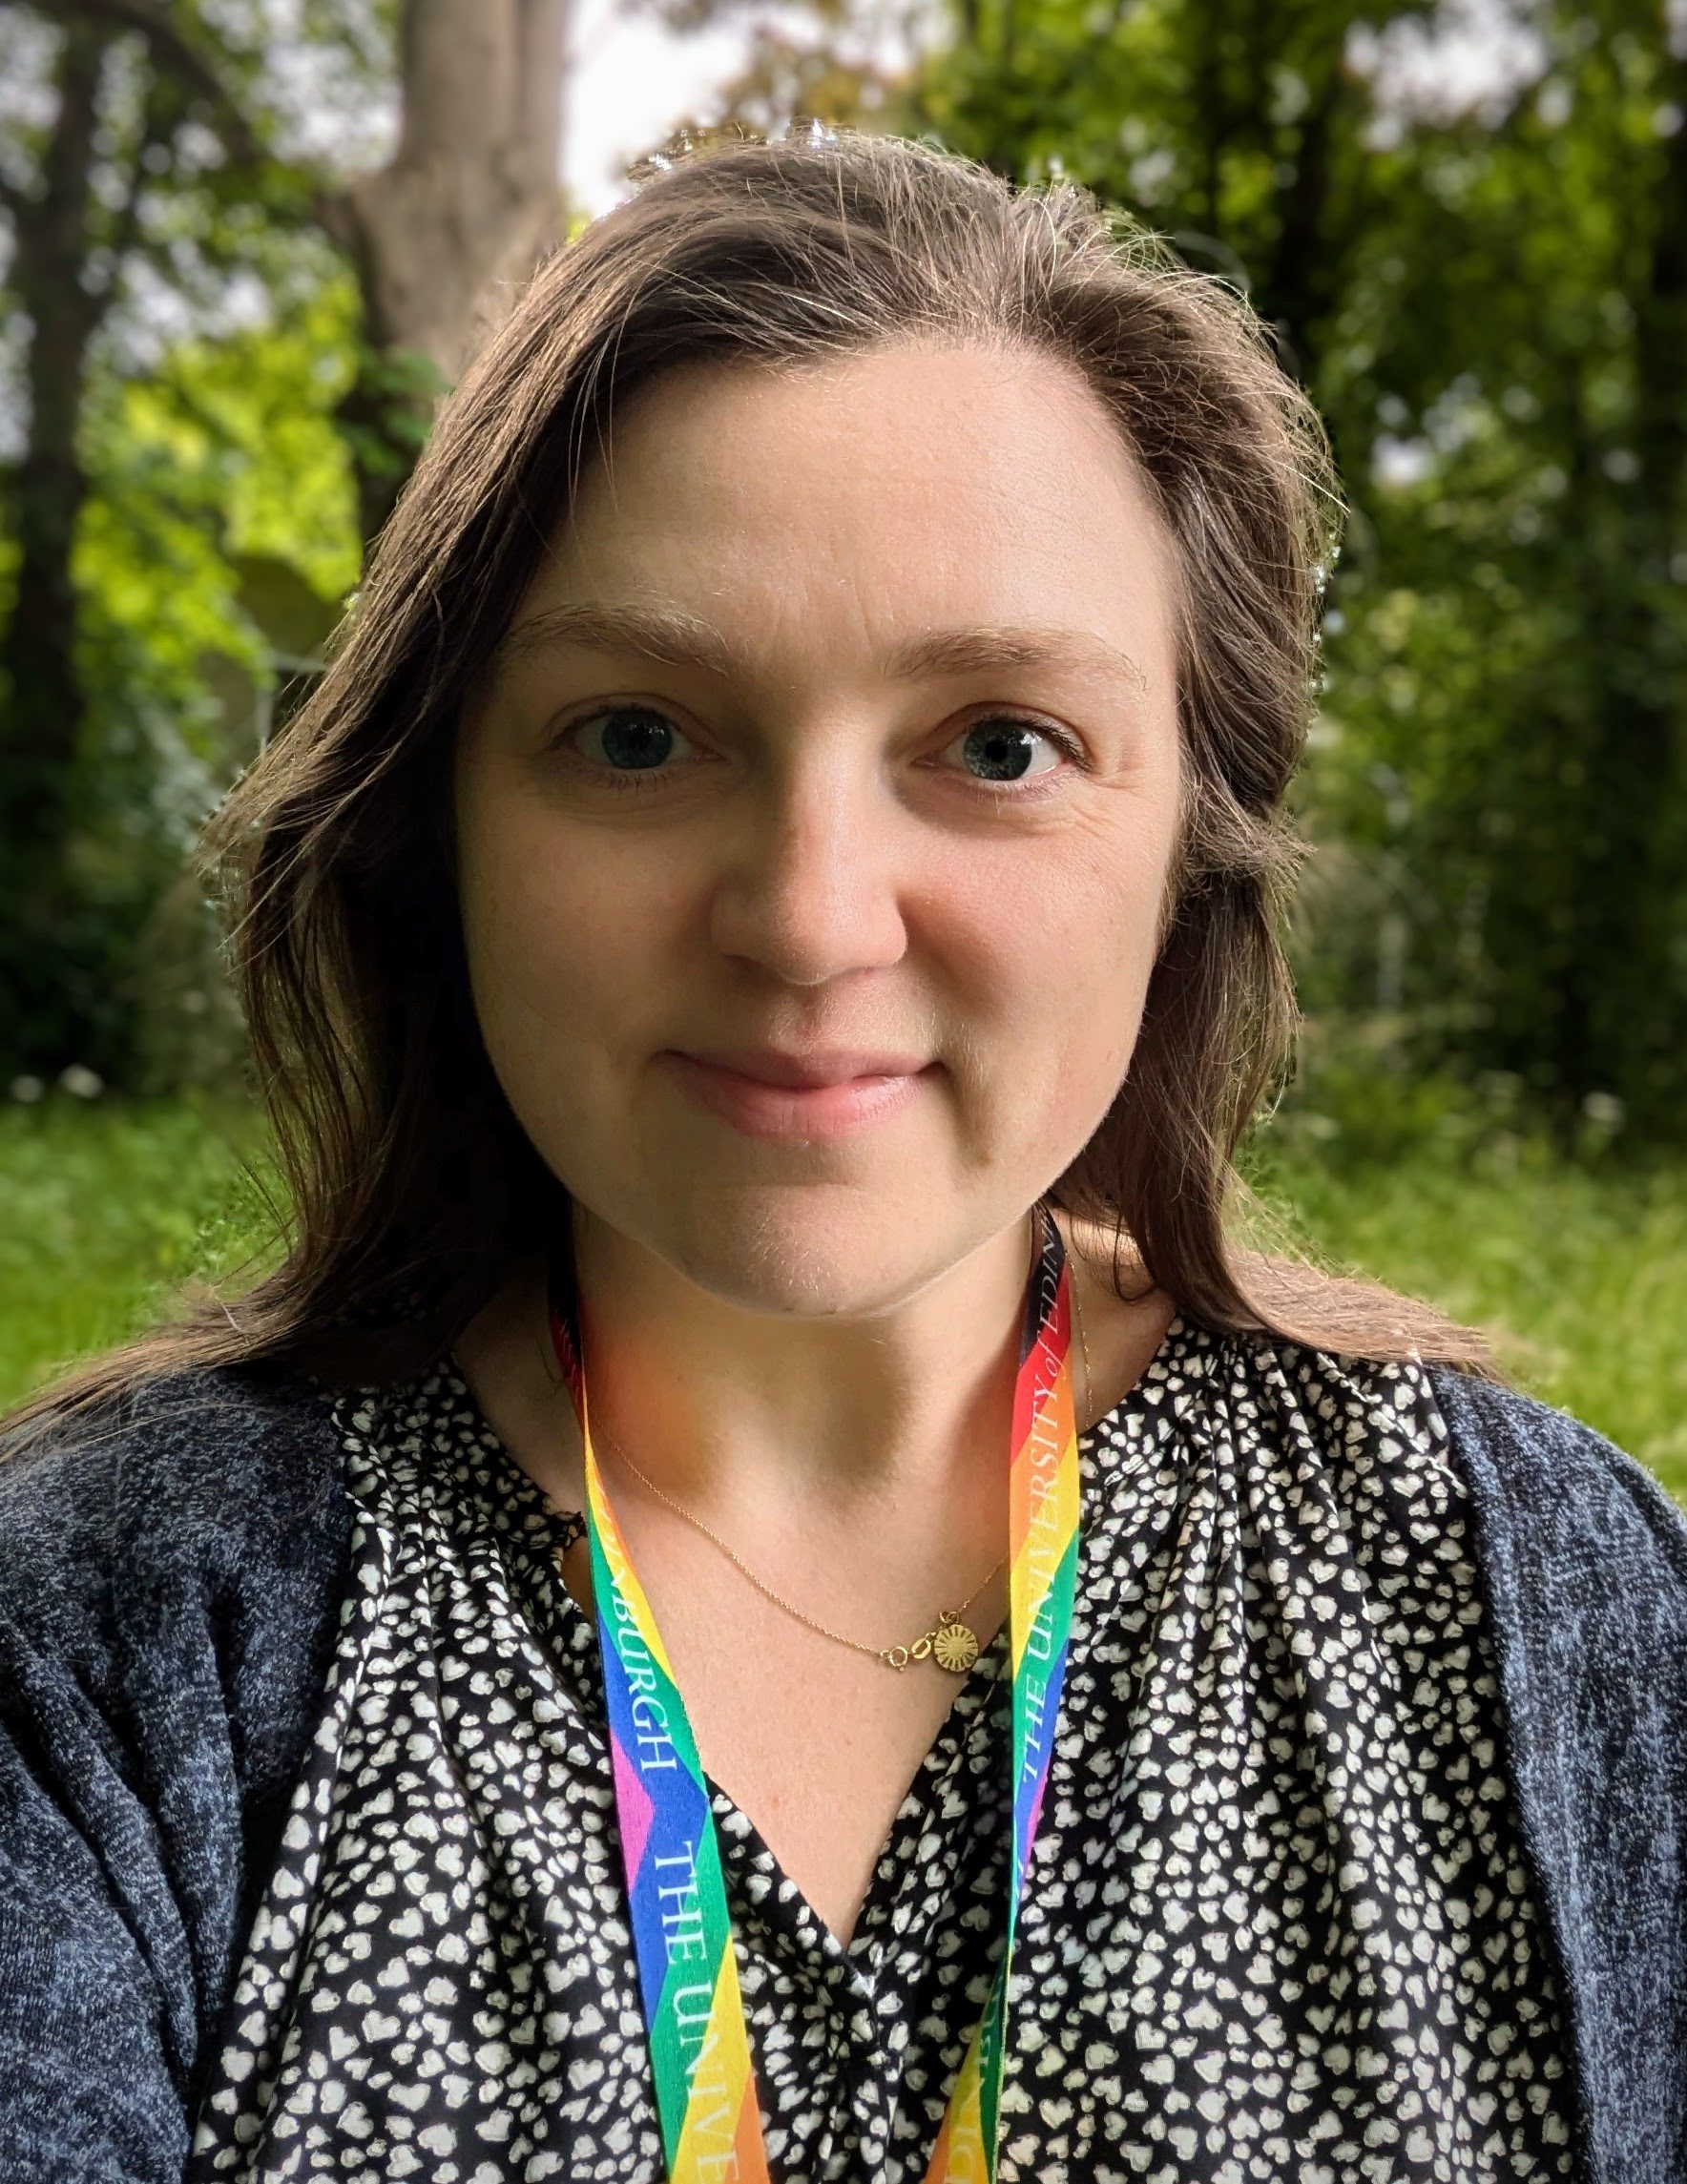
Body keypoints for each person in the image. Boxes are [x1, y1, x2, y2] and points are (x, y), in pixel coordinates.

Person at [1, 123, 1682, 2184]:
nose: (808, 917)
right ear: (437, 829)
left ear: (1187, 850)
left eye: (995, 742)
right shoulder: (101, 1646)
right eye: (637, 732)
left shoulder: (1543, 1598)